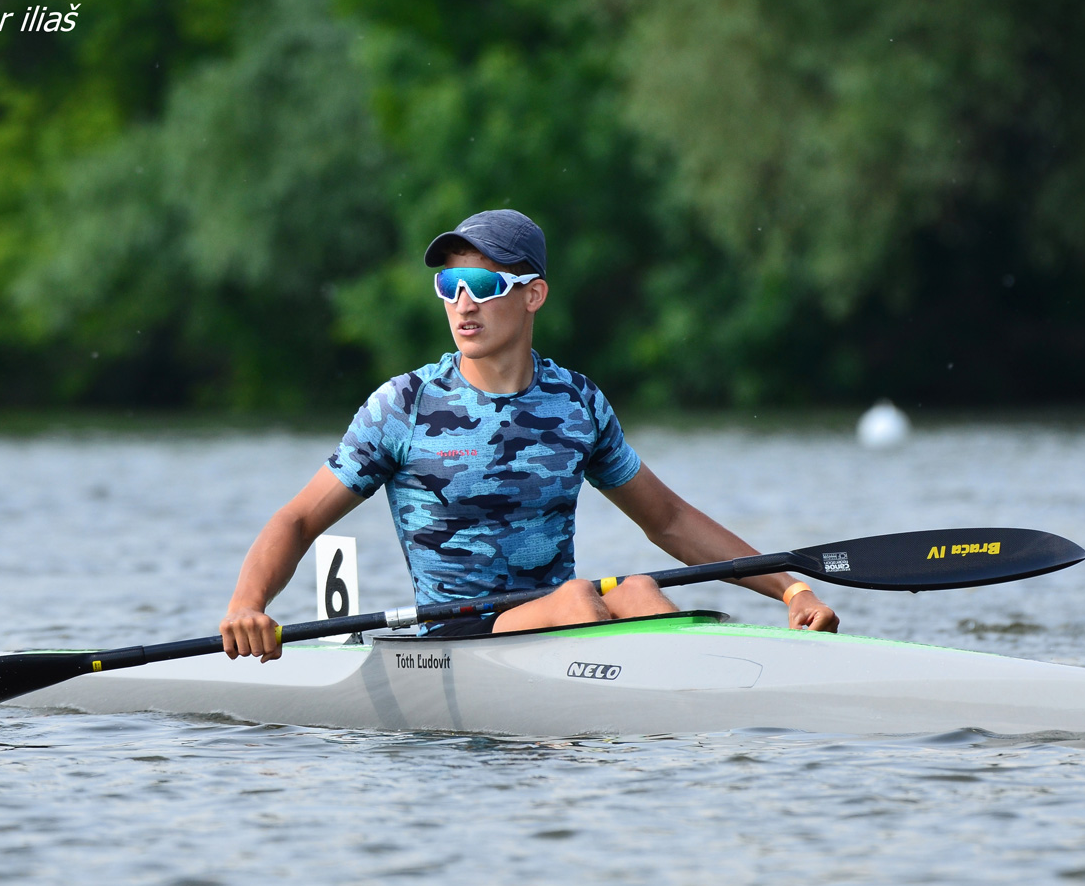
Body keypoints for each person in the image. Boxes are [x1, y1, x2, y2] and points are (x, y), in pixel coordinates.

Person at [220, 209, 838, 662]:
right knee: (581, 600)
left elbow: (670, 519)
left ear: (533, 295)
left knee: (640, 590)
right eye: (449, 287)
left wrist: (792, 589)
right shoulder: (403, 405)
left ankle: (709, 699)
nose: (464, 304)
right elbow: (298, 520)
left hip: (563, 623)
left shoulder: (576, 402)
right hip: (453, 642)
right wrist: (247, 604)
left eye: (484, 286)